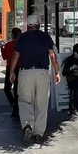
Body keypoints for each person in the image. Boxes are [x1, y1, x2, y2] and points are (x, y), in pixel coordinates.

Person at [9, 14, 60, 145]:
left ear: (28, 25)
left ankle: (27, 125)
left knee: (25, 101)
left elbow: (15, 55)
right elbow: (53, 56)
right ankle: (39, 133)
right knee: (41, 104)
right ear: (38, 24)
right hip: (42, 73)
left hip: (25, 73)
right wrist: (57, 72)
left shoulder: (22, 38)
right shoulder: (45, 37)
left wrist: (12, 72)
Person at [61, 44, 78, 115]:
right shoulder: (70, 60)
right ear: (75, 52)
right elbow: (64, 72)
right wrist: (71, 68)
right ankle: (76, 106)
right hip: (73, 80)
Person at [1, 27, 22, 118]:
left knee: (7, 88)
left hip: (10, 68)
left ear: (12, 35)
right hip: (20, 69)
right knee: (17, 89)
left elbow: (5, 57)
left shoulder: (9, 45)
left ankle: (13, 104)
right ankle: (16, 106)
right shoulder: (22, 45)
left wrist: (2, 49)